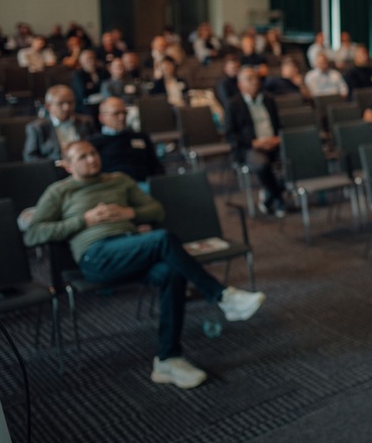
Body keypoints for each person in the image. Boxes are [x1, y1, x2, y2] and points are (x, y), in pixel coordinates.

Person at [24, 140, 265, 388]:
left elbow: (156, 210)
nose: (92, 160)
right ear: (67, 165)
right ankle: (221, 297)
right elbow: (33, 234)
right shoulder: (59, 191)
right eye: (82, 157)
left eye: (94, 153)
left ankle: (167, 359)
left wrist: (130, 214)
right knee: (162, 239)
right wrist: (83, 220)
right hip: (95, 256)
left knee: (172, 272)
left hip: (131, 247)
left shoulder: (119, 180)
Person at [224, 67, 286, 217]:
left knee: (297, 160)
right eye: (249, 79)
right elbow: (231, 134)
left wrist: (278, 138)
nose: (254, 82)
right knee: (262, 164)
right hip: (250, 147)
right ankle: (277, 198)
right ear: (240, 84)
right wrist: (254, 143)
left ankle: (269, 195)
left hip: (274, 143)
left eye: (256, 78)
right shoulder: (233, 104)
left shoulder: (269, 99)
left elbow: (279, 125)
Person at [89, 97, 164, 184]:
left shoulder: (140, 137)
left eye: (124, 113)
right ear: (102, 118)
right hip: (112, 187)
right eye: (116, 114)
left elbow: (156, 167)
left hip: (142, 184)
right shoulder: (93, 143)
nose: (122, 117)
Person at [24, 84, 97, 161]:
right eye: (60, 103)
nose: (66, 107)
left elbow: (96, 148)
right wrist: (56, 165)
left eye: (70, 102)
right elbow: (30, 157)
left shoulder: (86, 121)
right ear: (48, 106)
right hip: (53, 170)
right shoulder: (37, 127)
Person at [71, 49, 104, 115]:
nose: (92, 61)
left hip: (102, 102)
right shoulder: (78, 75)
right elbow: (82, 93)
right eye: (88, 59)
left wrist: (92, 87)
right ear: (82, 62)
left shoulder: (102, 71)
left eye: (93, 58)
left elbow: (106, 87)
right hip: (85, 106)